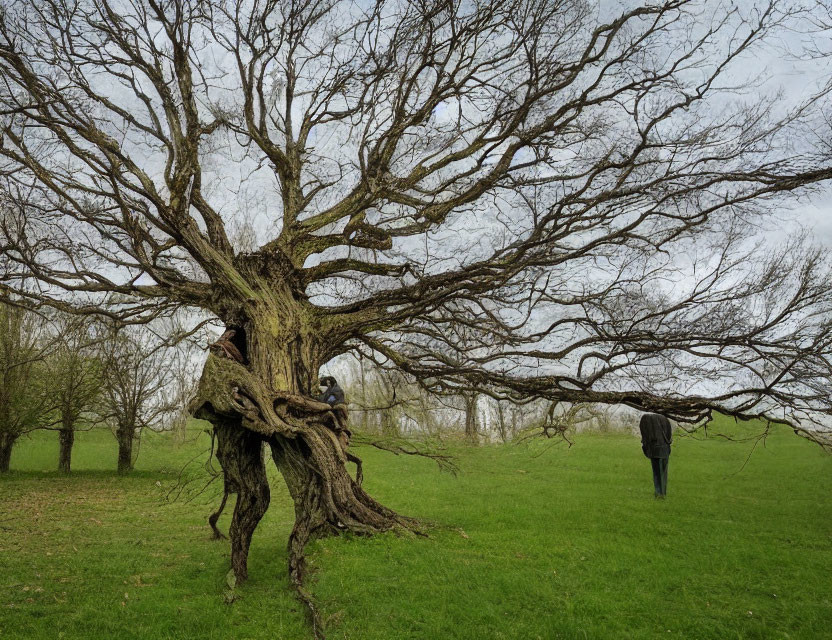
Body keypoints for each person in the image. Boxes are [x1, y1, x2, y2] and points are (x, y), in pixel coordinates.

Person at [639, 413, 673, 498]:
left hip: (653, 450)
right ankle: (662, 493)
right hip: (664, 449)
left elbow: (644, 436)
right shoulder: (664, 418)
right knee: (663, 473)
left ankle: (658, 493)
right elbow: (669, 435)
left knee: (656, 473)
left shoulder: (645, 418)